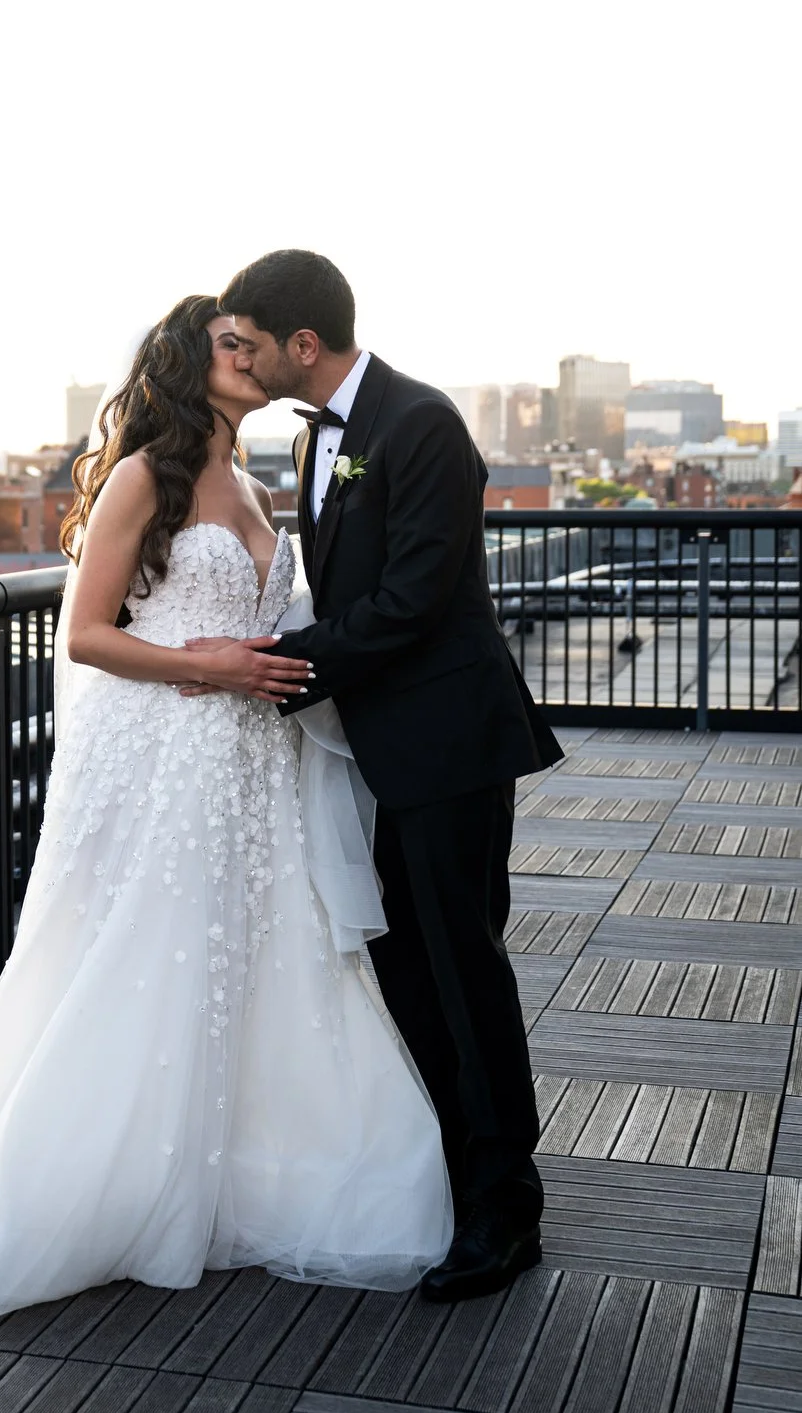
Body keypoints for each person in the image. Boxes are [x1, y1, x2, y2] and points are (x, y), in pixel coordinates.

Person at [0, 295, 452, 1321]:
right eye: (229, 344)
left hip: (247, 757)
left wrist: (264, 668)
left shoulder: (254, 483)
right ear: (191, 362)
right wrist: (220, 666)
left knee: (255, 953)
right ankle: (99, 1188)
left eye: (252, 342)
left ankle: (239, 1169)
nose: (249, 356)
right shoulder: (147, 474)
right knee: (158, 948)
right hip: (167, 752)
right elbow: (87, 635)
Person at [213, 250, 563, 1303]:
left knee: (465, 967)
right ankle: (455, 1173)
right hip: (385, 747)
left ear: (302, 345)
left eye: (250, 341)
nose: (240, 355)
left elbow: (412, 601)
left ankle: (508, 1208)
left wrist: (287, 668)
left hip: (451, 743)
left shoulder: (418, 424)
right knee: (407, 966)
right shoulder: (328, 436)